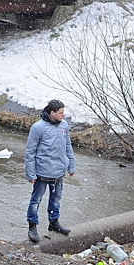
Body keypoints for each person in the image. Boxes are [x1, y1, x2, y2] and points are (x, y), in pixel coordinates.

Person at [25, 99, 76, 243]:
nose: (63, 115)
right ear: (52, 113)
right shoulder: (37, 128)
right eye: (60, 113)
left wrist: (71, 165)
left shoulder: (63, 125)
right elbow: (30, 152)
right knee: (36, 200)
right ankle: (32, 226)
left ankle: (54, 222)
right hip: (42, 172)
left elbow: (68, 146)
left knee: (56, 199)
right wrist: (30, 173)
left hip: (59, 171)